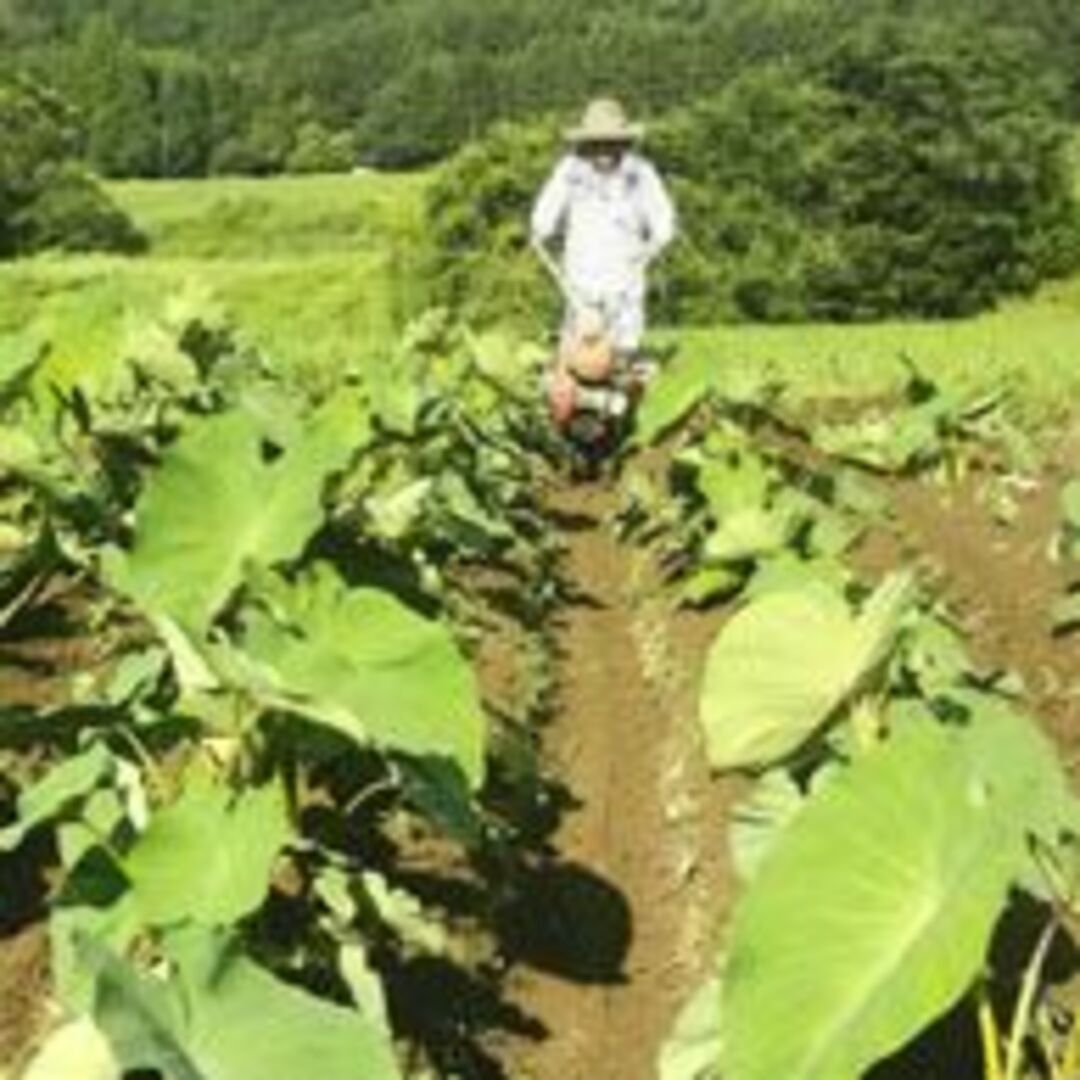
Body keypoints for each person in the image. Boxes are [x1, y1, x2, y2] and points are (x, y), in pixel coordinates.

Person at [530, 98, 677, 357]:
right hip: (580, 291)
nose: (605, 151)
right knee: (579, 368)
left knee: (623, 364)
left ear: (623, 142)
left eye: (611, 143)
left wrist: (648, 252)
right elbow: (543, 218)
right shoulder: (570, 172)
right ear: (586, 143)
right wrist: (541, 231)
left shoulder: (641, 174)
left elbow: (663, 221)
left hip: (625, 289)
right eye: (598, 143)